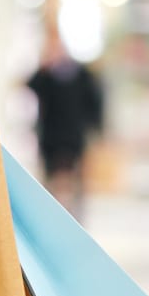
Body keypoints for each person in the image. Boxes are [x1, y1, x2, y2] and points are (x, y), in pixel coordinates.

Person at [27, 30, 105, 219]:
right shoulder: (46, 75)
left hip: (73, 135)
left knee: (73, 175)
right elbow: (30, 86)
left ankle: (74, 214)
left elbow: (95, 103)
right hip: (51, 136)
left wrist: (96, 128)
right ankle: (52, 212)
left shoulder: (82, 75)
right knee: (52, 176)